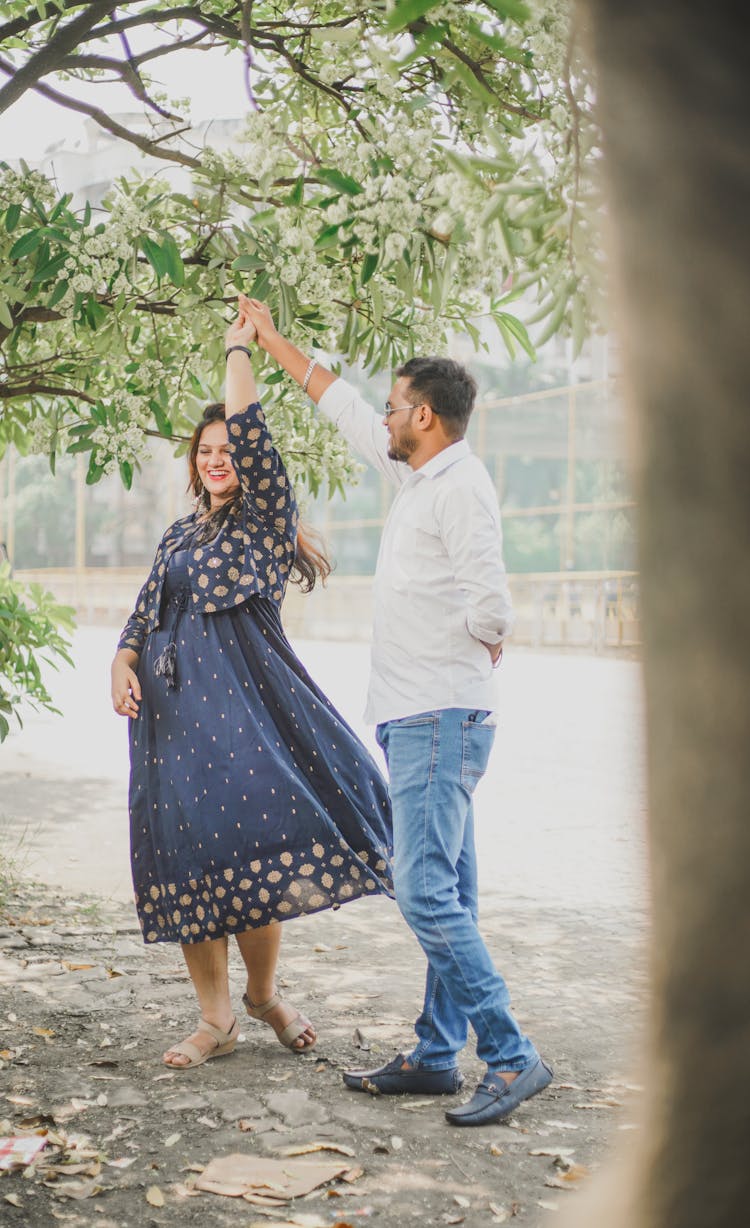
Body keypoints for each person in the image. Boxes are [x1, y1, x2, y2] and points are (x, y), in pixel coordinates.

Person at [240, 294, 553, 1126]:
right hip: (424, 716)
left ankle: (512, 1054)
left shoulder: (460, 489)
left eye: (391, 406)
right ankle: (435, 1056)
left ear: (423, 415)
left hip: (440, 718)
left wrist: (482, 639)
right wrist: (271, 339)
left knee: (421, 888)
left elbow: (493, 604)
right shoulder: (419, 475)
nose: (380, 415)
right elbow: (341, 405)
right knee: (451, 887)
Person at [110, 301, 393, 1070]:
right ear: (193, 462)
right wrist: (122, 662)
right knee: (191, 865)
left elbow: (252, 428)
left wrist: (243, 346)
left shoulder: (266, 519)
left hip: (242, 719)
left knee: (248, 860)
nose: (217, 457)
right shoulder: (179, 534)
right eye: (205, 450)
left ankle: (264, 996)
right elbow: (143, 613)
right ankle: (217, 1019)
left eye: (227, 446)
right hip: (171, 722)